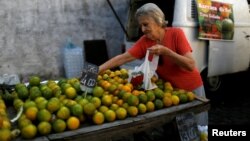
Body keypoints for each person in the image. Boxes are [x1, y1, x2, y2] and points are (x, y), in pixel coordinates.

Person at [99, 3, 208, 126]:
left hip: (192, 90)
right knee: (180, 129)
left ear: (158, 20)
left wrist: (168, 53)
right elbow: (122, 58)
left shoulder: (176, 34)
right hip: (171, 93)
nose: (143, 29)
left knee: (199, 128)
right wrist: (96, 70)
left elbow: (190, 65)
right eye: (141, 25)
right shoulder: (145, 41)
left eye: (146, 24)